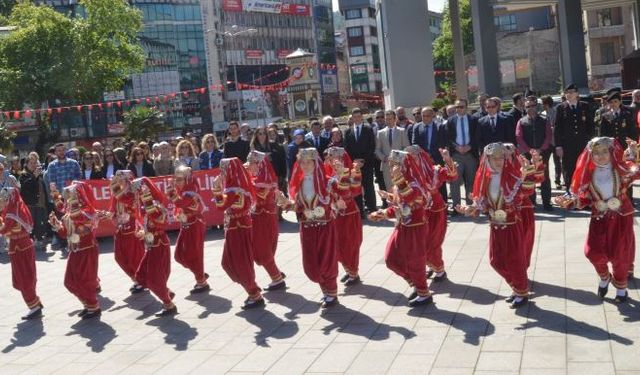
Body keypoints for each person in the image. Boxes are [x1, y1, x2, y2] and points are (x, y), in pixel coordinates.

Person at [555, 137, 640, 303]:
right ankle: (604, 276)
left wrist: (634, 153)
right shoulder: (588, 175)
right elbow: (584, 199)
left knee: (620, 254)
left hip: (621, 218)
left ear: (610, 152)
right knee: (592, 253)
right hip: (599, 219)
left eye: (604, 152)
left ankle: (621, 289)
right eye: (596, 153)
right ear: (590, 155)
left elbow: (636, 171)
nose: (600, 156)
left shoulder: (620, 170)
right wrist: (569, 202)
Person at [457, 143, 537, 309]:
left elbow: (526, 192)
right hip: (495, 226)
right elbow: (484, 205)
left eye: (501, 157)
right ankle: (516, 287)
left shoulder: (512, 177)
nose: (499, 161)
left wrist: (528, 172)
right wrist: (471, 209)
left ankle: (521, 292)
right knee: (496, 261)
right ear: (487, 159)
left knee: (515, 260)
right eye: (495, 158)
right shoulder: (485, 179)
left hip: (511, 225)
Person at [368, 150, 433, 307]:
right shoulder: (399, 184)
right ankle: (416, 285)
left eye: (396, 166)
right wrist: (383, 213)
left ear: (405, 165)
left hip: (416, 228)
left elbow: (415, 201)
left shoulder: (414, 182)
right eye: (391, 166)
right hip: (402, 226)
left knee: (415, 261)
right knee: (391, 259)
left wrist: (399, 180)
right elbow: (399, 207)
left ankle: (424, 293)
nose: (392, 169)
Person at [278, 148, 339, 308]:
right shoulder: (300, 183)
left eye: (308, 162)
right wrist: (286, 203)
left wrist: (343, 176)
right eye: (302, 162)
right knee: (311, 263)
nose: (305, 165)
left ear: (315, 163)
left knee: (326, 260)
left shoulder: (327, 181)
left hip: (325, 226)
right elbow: (298, 207)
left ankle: (331, 293)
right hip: (307, 227)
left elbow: (343, 195)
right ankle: (325, 291)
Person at [212, 158, 264, 309]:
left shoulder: (235, 189)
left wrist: (216, 190)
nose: (222, 173)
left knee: (241, 263)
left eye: (224, 170)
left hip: (239, 229)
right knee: (229, 263)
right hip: (234, 228)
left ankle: (254, 293)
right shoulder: (234, 188)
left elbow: (221, 206)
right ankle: (252, 290)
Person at [49, 181, 101, 319]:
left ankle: (93, 306)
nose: (68, 198)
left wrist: (62, 200)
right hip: (75, 250)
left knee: (85, 280)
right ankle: (87, 304)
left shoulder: (87, 212)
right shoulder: (70, 212)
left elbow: (80, 223)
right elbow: (65, 232)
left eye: (72, 194)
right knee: (69, 281)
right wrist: (56, 225)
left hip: (87, 250)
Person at [405, 145, 457, 281]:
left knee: (433, 242)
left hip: (436, 211)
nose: (412, 160)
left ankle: (439, 270)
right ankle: (431, 266)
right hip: (421, 212)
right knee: (422, 242)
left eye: (415, 156)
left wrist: (447, 159)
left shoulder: (434, 171)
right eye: (409, 157)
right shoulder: (409, 176)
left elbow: (452, 176)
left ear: (421, 156)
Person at [133, 177, 177, 317]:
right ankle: (166, 292)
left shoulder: (155, 205)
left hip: (158, 245)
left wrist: (147, 201)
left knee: (153, 280)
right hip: (152, 245)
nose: (139, 195)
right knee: (141, 275)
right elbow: (149, 225)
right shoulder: (147, 206)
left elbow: (160, 222)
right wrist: (143, 232)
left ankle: (168, 304)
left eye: (140, 192)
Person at [0, 187, 43, 320]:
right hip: (23, 246)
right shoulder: (19, 207)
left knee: (24, 278)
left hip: (19, 248)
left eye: (4, 198)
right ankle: (35, 302)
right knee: (26, 276)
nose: (2, 200)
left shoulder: (12, 212)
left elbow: (4, 229)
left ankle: (34, 306)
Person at [246, 150, 286, 291]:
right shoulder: (256, 178)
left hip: (263, 218)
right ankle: (276, 273)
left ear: (259, 164)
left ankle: (277, 278)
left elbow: (259, 196)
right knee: (262, 249)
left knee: (262, 250)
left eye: (251, 163)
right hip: (260, 217)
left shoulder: (264, 181)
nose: (248, 165)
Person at [167, 166, 210, 294]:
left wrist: (171, 193)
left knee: (194, 255)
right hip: (186, 225)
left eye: (179, 179)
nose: (176, 182)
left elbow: (181, 204)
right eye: (176, 179)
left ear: (186, 179)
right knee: (179, 255)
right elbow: (180, 206)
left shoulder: (190, 191)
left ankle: (201, 281)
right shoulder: (184, 190)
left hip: (194, 225)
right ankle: (200, 273)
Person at [324, 147, 363, 286]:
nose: (334, 161)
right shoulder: (327, 175)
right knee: (337, 244)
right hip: (335, 215)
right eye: (330, 158)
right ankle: (348, 270)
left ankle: (354, 272)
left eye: (337, 158)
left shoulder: (351, 173)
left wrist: (346, 174)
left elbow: (355, 191)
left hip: (349, 214)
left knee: (350, 244)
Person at [106, 170, 146, 293]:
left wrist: (116, 191)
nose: (118, 181)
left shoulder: (134, 192)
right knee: (119, 257)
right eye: (117, 179)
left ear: (128, 179)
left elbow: (131, 204)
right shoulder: (117, 193)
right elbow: (113, 210)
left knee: (134, 257)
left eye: (121, 179)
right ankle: (137, 279)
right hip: (121, 228)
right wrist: (109, 215)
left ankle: (141, 280)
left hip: (133, 228)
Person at [554, 83, 595, 194]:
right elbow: (557, 129)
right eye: (567, 92)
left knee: (585, 169)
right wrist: (558, 146)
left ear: (577, 93)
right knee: (569, 169)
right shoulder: (560, 108)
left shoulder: (584, 106)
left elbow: (590, 125)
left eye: (572, 92)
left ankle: (585, 195)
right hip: (568, 145)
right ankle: (571, 194)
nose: (569, 94)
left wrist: (592, 141)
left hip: (583, 144)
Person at [516, 96, 554, 210]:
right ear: (525, 107)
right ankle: (531, 203)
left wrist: (540, 149)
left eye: (533, 106)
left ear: (536, 106)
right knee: (529, 178)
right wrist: (529, 150)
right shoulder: (521, 121)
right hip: (527, 154)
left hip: (543, 153)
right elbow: (518, 137)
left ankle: (547, 202)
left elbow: (548, 135)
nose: (531, 108)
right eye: (528, 106)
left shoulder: (544, 119)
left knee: (545, 177)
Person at [408, 107, 449, 203]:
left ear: (432, 116)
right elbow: (414, 144)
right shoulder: (417, 127)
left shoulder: (440, 127)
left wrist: (434, 155)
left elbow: (443, 143)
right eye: (423, 116)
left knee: (440, 183)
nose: (425, 118)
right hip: (422, 160)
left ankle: (443, 204)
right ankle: (427, 204)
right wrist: (425, 155)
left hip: (437, 159)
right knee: (424, 183)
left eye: (427, 116)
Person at [44, 144, 80, 252]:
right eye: (58, 150)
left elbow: (78, 178)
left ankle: (75, 240)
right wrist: (56, 198)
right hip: (60, 198)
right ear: (55, 152)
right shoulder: (52, 166)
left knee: (74, 219)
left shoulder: (74, 163)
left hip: (73, 197)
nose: (61, 152)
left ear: (65, 151)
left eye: (62, 150)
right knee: (62, 219)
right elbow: (52, 183)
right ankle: (64, 243)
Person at [446, 99, 478, 211]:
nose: (459, 109)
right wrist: (456, 147)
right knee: (454, 181)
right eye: (457, 107)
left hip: (470, 154)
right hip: (456, 155)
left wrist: (470, 146)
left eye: (462, 107)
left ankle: (470, 206)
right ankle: (456, 207)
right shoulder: (450, 121)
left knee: (471, 181)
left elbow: (477, 136)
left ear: (467, 107)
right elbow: (448, 138)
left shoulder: (474, 119)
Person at [344, 108, 378, 214]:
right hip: (354, 166)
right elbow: (347, 148)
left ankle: (372, 208)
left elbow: (371, 146)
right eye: (355, 117)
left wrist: (363, 161)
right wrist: (354, 163)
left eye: (359, 116)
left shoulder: (368, 129)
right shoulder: (348, 131)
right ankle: (359, 210)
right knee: (356, 187)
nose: (357, 119)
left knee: (368, 186)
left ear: (362, 117)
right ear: (352, 118)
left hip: (366, 164)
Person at [19, 154, 51, 251]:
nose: (33, 165)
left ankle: (39, 240)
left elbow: (43, 189)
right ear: (27, 164)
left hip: (40, 203)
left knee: (40, 223)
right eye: (31, 163)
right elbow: (25, 187)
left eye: (35, 163)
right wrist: (34, 177)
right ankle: (30, 242)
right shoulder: (23, 175)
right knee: (30, 224)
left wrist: (46, 202)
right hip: (29, 204)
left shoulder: (39, 174)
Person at [375, 110, 409, 197]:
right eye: (386, 119)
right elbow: (377, 149)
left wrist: (395, 159)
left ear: (395, 119)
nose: (388, 121)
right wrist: (384, 158)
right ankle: (393, 208)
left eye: (390, 119)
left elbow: (406, 148)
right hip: (386, 166)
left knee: (402, 189)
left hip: (399, 166)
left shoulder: (402, 131)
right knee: (390, 189)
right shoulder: (380, 133)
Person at [541, 95, 563, 190]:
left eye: (543, 103)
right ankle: (544, 181)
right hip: (546, 142)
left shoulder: (556, 112)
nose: (542, 105)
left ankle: (557, 181)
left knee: (557, 162)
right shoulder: (542, 114)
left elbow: (558, 125)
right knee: (544, 163)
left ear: (546, 104)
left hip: (556, 141)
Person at [371, 110, 387, 206]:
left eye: (381, 117)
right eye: (377, 117)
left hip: (388, 159)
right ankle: (384, 201)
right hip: (377, 161)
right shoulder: (372, 130)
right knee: (381, 181)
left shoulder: (389, 128)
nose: (380, 119)